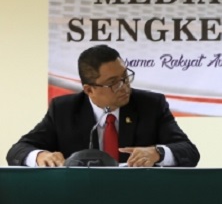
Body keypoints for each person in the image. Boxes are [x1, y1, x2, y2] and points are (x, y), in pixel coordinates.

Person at [6, 44, 200, 167]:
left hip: (138, 197)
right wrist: (40, 156)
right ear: (89, 89)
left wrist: (157, 153)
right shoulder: (64, 110)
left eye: (125, 77)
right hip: (79, 199)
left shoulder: (151, 105)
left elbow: (189, 152)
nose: (124, 87)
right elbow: (17, 151)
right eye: (113, 83)